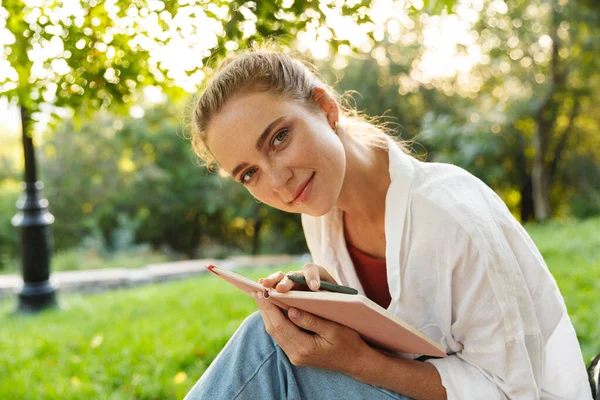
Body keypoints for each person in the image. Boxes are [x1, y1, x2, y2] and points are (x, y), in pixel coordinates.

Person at [184, 46, 592, 399]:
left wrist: (356, 360)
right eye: (249, 174)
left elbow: (510, 392)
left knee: (266, 347)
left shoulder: (451, 215)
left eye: (278, 138)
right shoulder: (321, 217)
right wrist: (330, 315)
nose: (276, 181)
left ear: (326, 109)